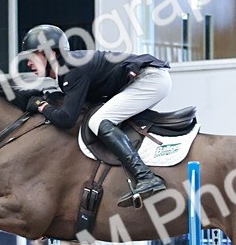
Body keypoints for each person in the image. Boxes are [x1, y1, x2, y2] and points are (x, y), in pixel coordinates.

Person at [20, 24, 170, 207]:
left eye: (33, 56)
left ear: (50, 53)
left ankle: (146, 177)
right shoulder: (67, 70)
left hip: (149, 80)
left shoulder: (71, 70)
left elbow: (67, 119)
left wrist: (41, 106)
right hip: (147, 79)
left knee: (99, 120)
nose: (28, 64)